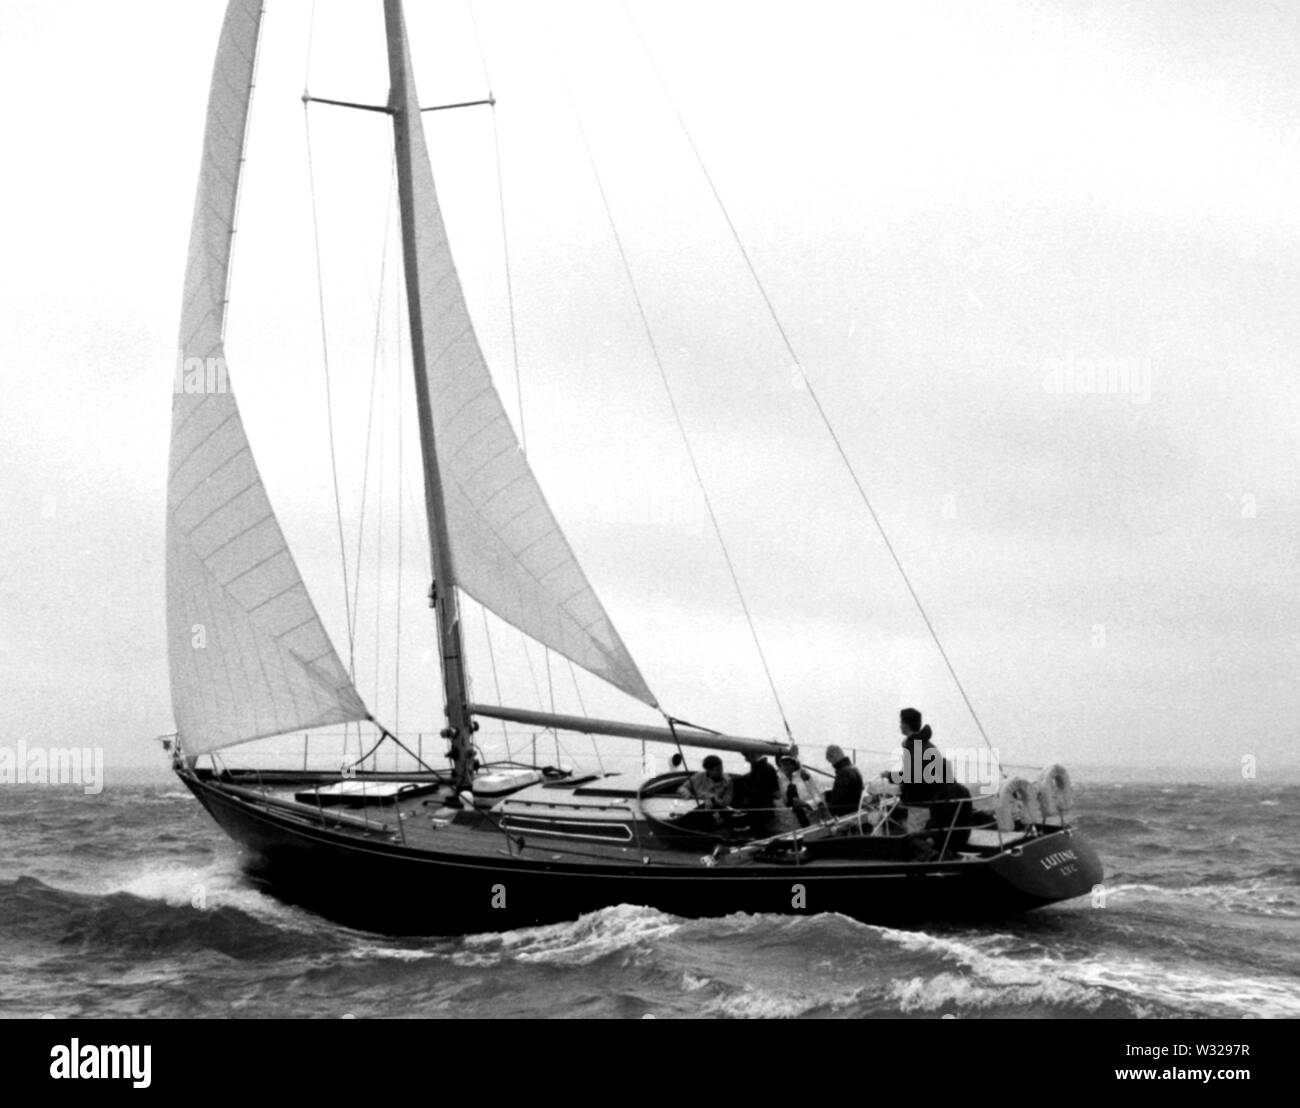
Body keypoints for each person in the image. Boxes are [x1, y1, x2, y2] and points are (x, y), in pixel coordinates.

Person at [736, 751, 781, 836]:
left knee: (762, 834)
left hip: (762, 810)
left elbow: (766, 792)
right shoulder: (760, 768)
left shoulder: (766, 769)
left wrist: (746, 789)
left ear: (753, 755)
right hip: (759, 809)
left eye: (746, 755)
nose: (746, 759)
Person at [778, 752, 824, 828]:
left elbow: (821, 797)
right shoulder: (781, 782)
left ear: (794, 764)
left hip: (814, 820)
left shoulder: (806, 776)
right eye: (783, 764)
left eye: (788, 764)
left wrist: (806, 804)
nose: (785, 767)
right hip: (795, 825)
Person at [823, 744, 864, 817]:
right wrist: (826, 795)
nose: (832, 764)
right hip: (856, 809)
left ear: (833, 757)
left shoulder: (844, 773)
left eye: (830, 761)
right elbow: (847, 792)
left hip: (846, 815)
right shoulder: (853, 768)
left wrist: (824, 807)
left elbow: (836, 803)